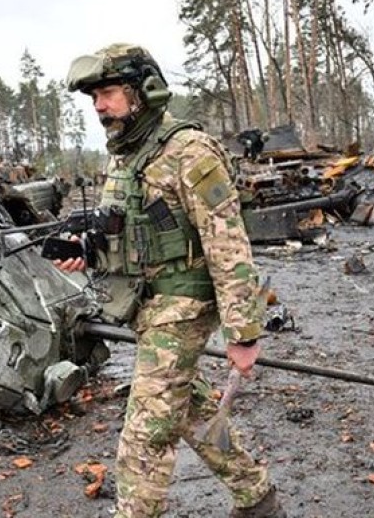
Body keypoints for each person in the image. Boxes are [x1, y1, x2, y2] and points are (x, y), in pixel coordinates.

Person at [56, 43, 286, 518]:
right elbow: (127, 233)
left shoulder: (189, 151)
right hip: (149, 306)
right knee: (191, 409)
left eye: (108, 93)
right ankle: (256, 495)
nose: (99, 106)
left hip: (183, 306)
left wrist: (243, 332)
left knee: (144, 436)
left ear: (144, 91)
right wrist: (84, 249)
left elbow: (229, 245)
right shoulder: (126, 154)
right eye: (94, 97)